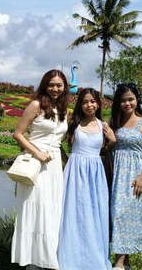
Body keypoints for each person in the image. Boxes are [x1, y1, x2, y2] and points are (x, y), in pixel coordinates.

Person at [11, 69, 70, 270]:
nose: (55, 89)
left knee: (52, 209)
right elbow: (18, 134)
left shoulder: (64, 110)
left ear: (64, 87)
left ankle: (47, 258)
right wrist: (37, 152)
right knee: (35, 208)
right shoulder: (36, 105)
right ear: (45, 85)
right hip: (36, 163)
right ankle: (31, 262)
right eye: (51, 84)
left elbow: (58, 141)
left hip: (54, 166)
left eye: (59, 85)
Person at [57, 88, 116, 270]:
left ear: (98, 103)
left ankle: (93, 258)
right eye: (84, 102)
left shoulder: (103, 126)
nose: (89, 105)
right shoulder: (74, 124)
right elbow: (56, 143)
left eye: (92, 101)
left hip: (95, 174)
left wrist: (112, 141)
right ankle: (69, 257)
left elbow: (105, 149)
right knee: (72, 211)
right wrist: (67, 161)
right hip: (74, 172)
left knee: (93, 212)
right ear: (80, 105)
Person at [109, 83, 142, 270]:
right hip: (115, 174)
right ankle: (126, 262)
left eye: (130, 99)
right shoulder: (114, 121)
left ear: (137, 99)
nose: (127, 103)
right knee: (118, 215)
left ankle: (119, 264)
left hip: (135, 176)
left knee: (125, 215)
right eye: (123, 100)